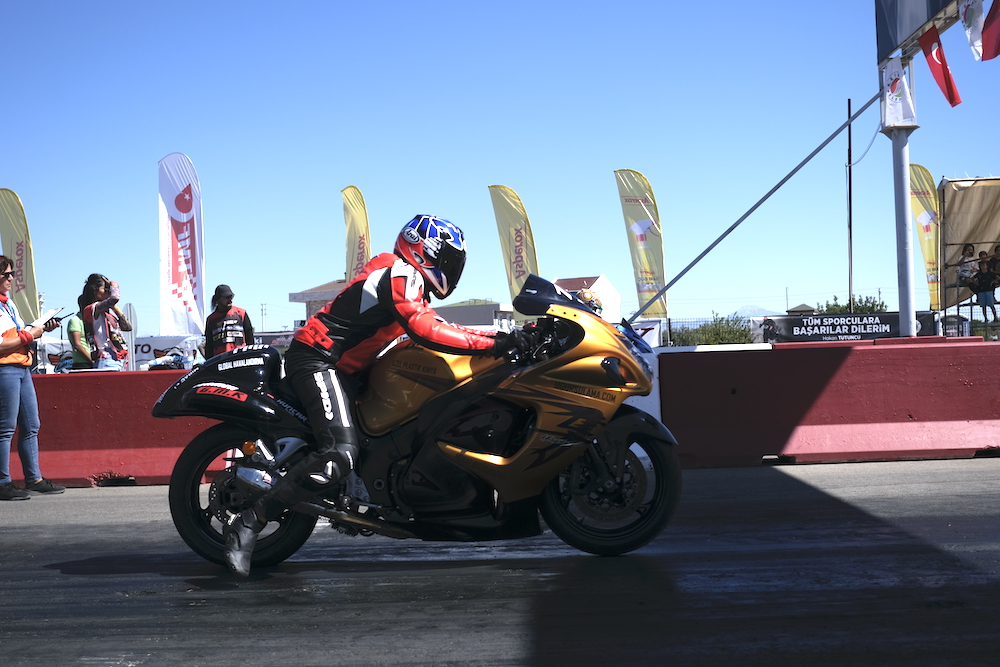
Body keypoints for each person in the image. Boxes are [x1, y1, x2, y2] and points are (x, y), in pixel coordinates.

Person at [223, 215, 532, 575]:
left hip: (349, 369)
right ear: (424, 249)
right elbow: (426, 329)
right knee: (338, 454)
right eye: (447, 259)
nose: (451, 268)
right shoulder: (399, 272)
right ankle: (250, 521)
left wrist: (510, 336)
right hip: (318, 358)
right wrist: (499, 342)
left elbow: (440, 325)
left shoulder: (408, 280)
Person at [0, 255, 67, 500]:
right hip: (5, 369)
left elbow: (19, 332)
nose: (11, 278)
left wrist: (39, 328)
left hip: (22, 367)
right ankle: (2, 483)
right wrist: (30, 336)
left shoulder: (8, 303)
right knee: (5, 429)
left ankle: (34, 478)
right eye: (6, 274)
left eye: (12, 273)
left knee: (31, 425)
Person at [81, 274, 132, 371]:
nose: (109, 292)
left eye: (110, 289)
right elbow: (114, 298)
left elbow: (128, 327)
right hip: (106, 356)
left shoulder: (108, 314)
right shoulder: (91, 309)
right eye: (105, 289)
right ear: (95, 291)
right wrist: (114, 284)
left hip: (119, 357)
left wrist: (116, 309)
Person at [204, 284, 254, 359]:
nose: (230, 300)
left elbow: (250, 340)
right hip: (221, 361)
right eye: (227, 297)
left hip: (240, 359)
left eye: (231, 297)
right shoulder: (211, 320)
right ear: (218, 299)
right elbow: (209, 346)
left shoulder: (241, 313)